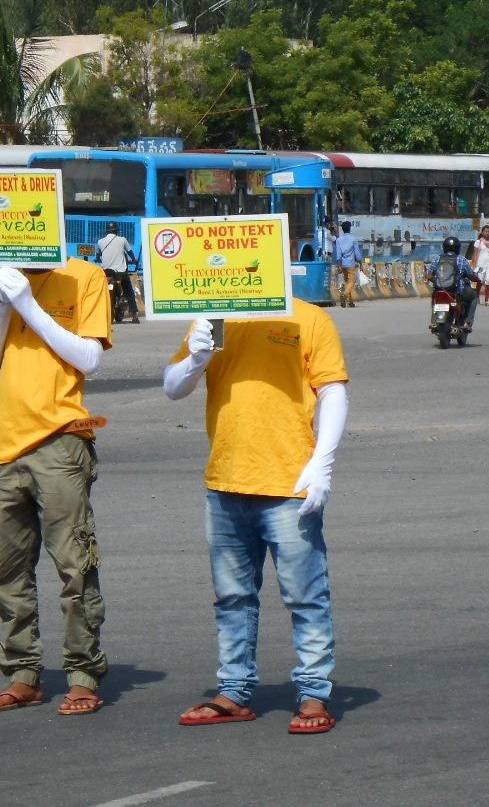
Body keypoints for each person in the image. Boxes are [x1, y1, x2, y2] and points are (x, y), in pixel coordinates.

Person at [163, 307, 349, 734]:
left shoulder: (308, 318)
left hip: (288, 481)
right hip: (226, 480)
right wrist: (195, 359)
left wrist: (324, 461)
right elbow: (173, 387)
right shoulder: (217, 319)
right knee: (232, 597)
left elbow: (332, 389)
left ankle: (313, 693)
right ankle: (233, 690)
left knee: (305, 595)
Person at [0, 259, 112, 716]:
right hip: (4, 444)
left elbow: (89, 357)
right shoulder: (5, 277)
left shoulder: (83, 276)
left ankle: (83, 674)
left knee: (75, 565)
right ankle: (22, 673)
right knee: (6, 571)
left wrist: (28, 305)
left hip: (61, 439)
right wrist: (2, 306)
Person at [425, 236, 482, 332]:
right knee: (473, 296)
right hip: (456, 291)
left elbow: (429, 276)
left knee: (435, 298)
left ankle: (434, 321)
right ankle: (467, 322)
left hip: (440, 290)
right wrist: (477, 279)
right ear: (458, 248)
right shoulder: (461, 260)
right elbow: (470, 275)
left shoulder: (437, 259)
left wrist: (438, 282)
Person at [95, 222, 139, 324]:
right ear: (117, 230)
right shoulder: (122, 240)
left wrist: (98, 259)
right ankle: (134, 315)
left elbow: (98, 255)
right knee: (129, 292)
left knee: (103, 293)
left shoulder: (100, 242)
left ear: (106, 231)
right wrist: (134, 259)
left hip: (107, 273)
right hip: (121, 273)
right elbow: (129, 252)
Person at [332, 221, 361, 308]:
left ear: (342, 229)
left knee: (347, 282)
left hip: (343, 264)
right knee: (352, 281)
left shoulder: (339, 240)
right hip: (350, 264)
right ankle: (344, 295)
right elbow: (357, 253)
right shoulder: (353, 239)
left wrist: (338, 266)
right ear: (349, 229)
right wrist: (361, 263)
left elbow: (338, 254)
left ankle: (350, 302)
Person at [471, 225, 489, 306]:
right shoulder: (478, 242)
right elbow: (475, 254)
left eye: (488, 231)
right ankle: (477, 296)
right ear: (482, 232)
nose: (487, 233)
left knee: (488, 280)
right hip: (481, 263)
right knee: (480, 281)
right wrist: (474, 265)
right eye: (485, 231)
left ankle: (486, 300)